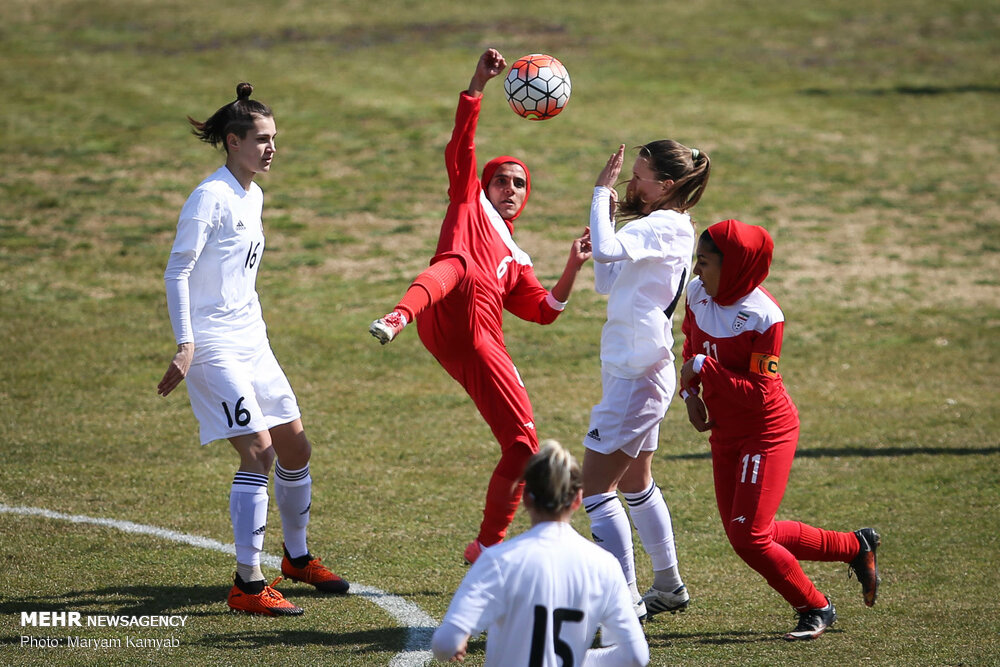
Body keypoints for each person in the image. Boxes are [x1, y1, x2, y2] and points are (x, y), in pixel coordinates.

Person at [368, 49, 592, 564]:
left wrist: (572, 268)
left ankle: (487, 545)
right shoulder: (468, 201)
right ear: (483, 185)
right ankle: (397, 315)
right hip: (441, 310)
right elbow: (461, 144)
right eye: (500, 179)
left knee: (523, 446)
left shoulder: (517, 257)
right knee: (458, 263)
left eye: (519, 183)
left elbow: (545, 310)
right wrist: (477, 86)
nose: (509, 188)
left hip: (476, 342)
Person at [157, 83, 349, 616]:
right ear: (234, 141)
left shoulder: (254, 194)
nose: (271, 149)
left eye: (275, 139)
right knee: (258, 452)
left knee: (295, 448)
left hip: (252, 339)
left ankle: (297, 558)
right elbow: (178, 271)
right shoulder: (210, 197)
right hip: (213, 345)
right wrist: (185, 343)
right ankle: (247, 584)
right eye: (262, 139)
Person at [679, 219, 881, 640]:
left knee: (749, 536)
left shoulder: (764, 316)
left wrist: (705, 370)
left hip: (765, 432)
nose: (697, 271)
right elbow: (690, 345)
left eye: (705, 262)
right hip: (725, 432)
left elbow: (756, 394)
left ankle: (816, 606)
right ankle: (854, 546)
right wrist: (689, 393)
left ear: (734, 266)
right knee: (747, 533)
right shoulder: (698, 294)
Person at [581, 142, 710, 621]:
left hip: (636, 373)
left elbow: (611, 248)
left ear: (666, 185)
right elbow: (607, 281)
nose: (630, 184)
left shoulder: (667, 225)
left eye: (638, 176)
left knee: (594, 488)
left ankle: (627, 602)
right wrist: (605, 226)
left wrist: (600, 193)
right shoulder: (659, 226)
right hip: (633, 368)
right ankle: (668, 586)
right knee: (636, 481)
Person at [431, 441, 649, 666]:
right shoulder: (605, 565)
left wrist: (456, 642)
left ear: (525, 497)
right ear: (577, 498)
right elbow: (636, 656)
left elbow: (445, 643)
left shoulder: (498, 560)